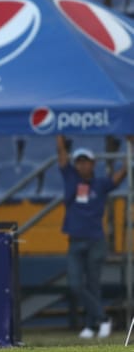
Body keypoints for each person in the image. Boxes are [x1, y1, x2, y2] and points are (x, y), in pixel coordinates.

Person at [56, 136, 131, 339]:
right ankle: (103, 318)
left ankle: (91, 325)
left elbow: (121, 175)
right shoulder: (71, 177)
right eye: (78, 161)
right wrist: (58, 136)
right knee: (75, 284)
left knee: (93, 284)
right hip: (75, 240)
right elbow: (62, 157)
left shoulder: (100, 183)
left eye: (85, 161)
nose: (81, 165)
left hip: (95, 240)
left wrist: (130, 152)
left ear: (93, 164)